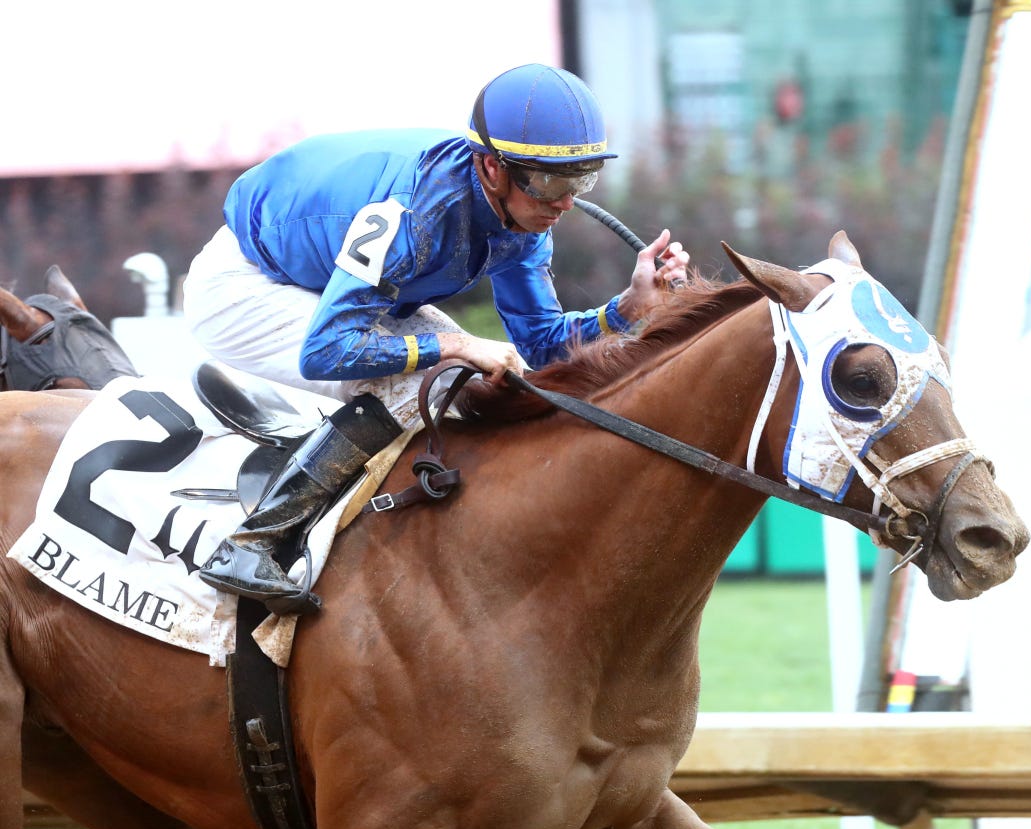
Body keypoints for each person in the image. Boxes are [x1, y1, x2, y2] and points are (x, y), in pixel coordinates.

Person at [183, 63, 690, 614]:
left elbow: (543, 347)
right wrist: (453, 345)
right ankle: (252, 543)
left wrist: (628, 308)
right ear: (492, 167)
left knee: (493, 377)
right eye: (550, 183)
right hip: (244, 285)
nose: (565, 203)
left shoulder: (523, 222)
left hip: (323, 283)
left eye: (580, 181)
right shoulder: (414, 214)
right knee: (428, 377)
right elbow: (327, 349)